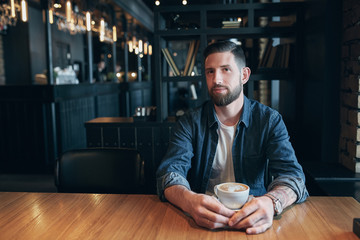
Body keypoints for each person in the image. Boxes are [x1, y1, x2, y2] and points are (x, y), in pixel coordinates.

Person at [156, 40, 308, 234]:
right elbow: (169, 175)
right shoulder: (189, 122)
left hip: (255, 220)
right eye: (210, 71)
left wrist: (271, 203)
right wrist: (189, 202)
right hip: (202, 221)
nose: (216, 79)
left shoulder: (269, 120)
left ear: (244, 75)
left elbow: (293, 177)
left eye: (225, 69)